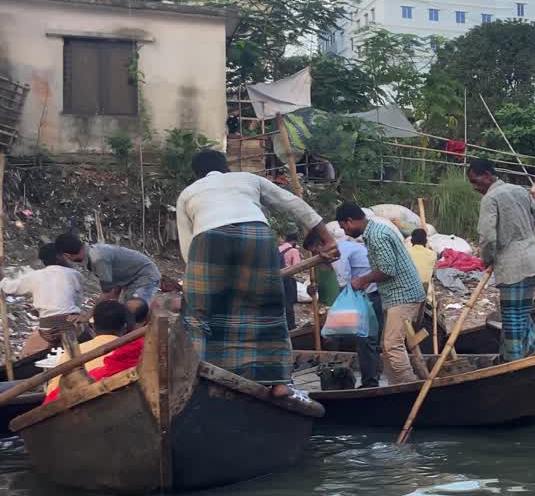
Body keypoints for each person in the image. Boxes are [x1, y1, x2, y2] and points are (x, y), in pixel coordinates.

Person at [177, 150, 336, 396]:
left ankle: (200, 381)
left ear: (197, 175)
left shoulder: (189, 193)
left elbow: (188, 249)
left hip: (208, 239)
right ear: (226, 168)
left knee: (198, 316)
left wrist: (198, 286)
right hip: (257, 234)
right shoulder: (247, 179)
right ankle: (280, 382)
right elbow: (294, 204)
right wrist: (327, 239)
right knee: (268, 307)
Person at [468, 159, 535, 361]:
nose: (475, 186)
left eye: (476, 180)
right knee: (522, 315)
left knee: (512, 318)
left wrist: (487, 259)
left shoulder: (490, 198)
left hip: (511, 267)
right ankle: (534, 351)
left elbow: (488, 237)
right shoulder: (519, 190)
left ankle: (513, 363)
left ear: (488, 175)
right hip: (530, 263)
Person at [337, 203, 427, 385]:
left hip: (403, 295)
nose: (345, 232)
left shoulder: (377, 235)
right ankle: (395, 386)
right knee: (387, 346)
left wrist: (363, 280)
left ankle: (409, 386)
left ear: (350, 221)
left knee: (393, 345)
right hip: (396, 295)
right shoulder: (375, 232)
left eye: (344, 227)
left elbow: (387, 270)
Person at [2, 243, 87, 358]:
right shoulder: (75, 274)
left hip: (47, 329)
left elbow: (7, 287)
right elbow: (77, 302)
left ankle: (53, 354)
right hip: (71, 326)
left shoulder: (35, 276)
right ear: (59, 257)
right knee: (85, 325)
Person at [43, 300, 133, 402]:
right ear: (125, 327)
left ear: (93, 326)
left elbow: (51, 393)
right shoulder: (130, 352)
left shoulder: (70, 353)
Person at [324, 234, 383, 389]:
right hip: (372, 294)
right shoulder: (347, 246)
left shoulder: (338, 253)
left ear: (319, 246)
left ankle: (370, 383)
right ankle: (372, 378)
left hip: (369, 296)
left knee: (366, 340)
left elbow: (344, 284)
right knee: (370, 340)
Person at [55, 233, 162, 305]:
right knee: (125, 311)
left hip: (145, 276)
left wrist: (89, 314)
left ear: (68, 255)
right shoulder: (91, 254)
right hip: (131, 279)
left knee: (135, 310)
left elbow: (108, 292)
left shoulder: (98, 259)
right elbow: (113, 288)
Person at [277, 232, 302, 330]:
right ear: (294, 241)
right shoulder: (293, 251)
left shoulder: (278, 248)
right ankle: (291, 325)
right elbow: (297, 267)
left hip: (278, 277)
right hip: (288, 278)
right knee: (289, 302)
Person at [407, 229, 437, 294]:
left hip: (408, 291)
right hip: (425, 292)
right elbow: (433, 273)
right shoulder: (432, 254)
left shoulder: (405, 253)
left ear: (411, 241)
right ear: (426, 241)